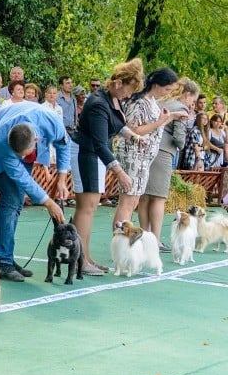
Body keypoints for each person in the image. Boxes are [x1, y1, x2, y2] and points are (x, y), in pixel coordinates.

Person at [0, 102, 70, 281]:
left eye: (23, 154)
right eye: (19, 155)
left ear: (36, 141)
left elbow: (63, 146)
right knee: (11, 203)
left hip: (25, 146)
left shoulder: (53, 123)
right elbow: (20, 176)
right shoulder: (2, 139)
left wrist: (62, 179)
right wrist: (48, 202)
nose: (20, 158)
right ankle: (3, 262)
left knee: (16, 204)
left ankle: (6, 257)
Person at [71, 59, 142, 275]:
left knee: (90, 207)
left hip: (94, 155)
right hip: (86, 153)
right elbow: (101, 143)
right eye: (129, 90)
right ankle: (79, 261)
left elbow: (117, 125)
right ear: (119, 83)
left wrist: (134, 136)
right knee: (87, 207)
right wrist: (120, 172)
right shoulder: (98, 103)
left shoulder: (109, 98)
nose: (129, 96)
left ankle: (86, 257)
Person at [113, 67, 184, 227]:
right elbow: (133, 130)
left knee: (134, 200)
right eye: (167, 89)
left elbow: (153, 127)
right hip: (133, 155)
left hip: (145, 158)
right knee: (128, 201)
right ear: (157, 85)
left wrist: (171, 117)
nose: (167, 93)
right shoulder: (138, 101)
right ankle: (120, 240)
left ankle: (124, 241)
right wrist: (160, 121)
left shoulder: (152, 101)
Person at [142, 78, 198, 246]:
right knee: (159, 197)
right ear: (187, 95)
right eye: (192, 101)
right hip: (164, 153)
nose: (192, 105)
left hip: (148, 149)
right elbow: (179, 139)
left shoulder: (162, 101)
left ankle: (145, 235)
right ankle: (156, 240)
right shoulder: (180, 108)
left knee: (144, 196)